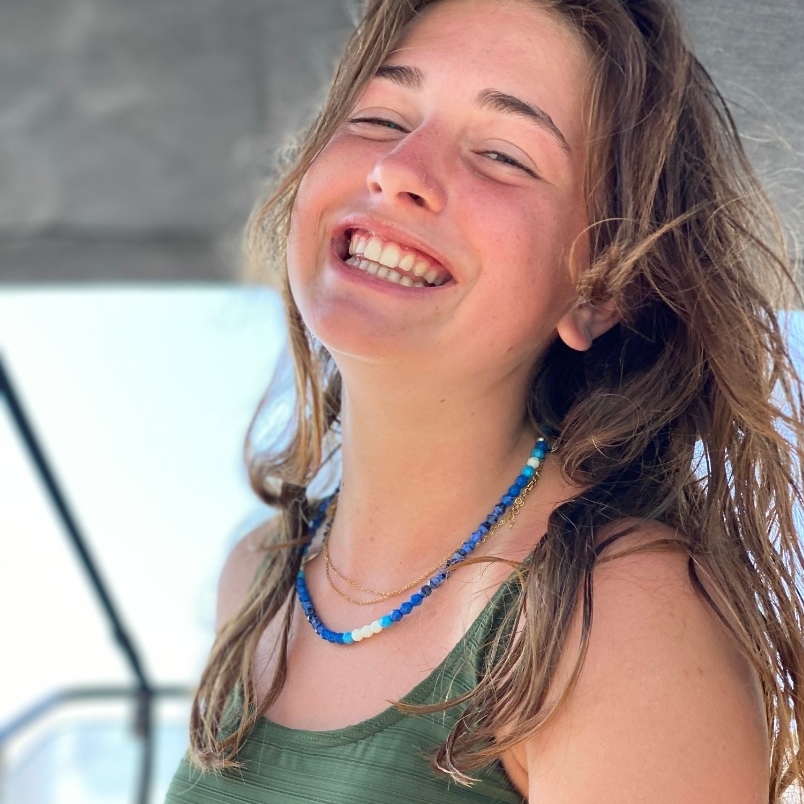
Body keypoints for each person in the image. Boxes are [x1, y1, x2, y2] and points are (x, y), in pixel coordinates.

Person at [165, 0, 804, 801]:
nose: (398, 167)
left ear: (598, 291)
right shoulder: (257, 574)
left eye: (503, 155)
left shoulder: (617, 615)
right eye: (379, 116)